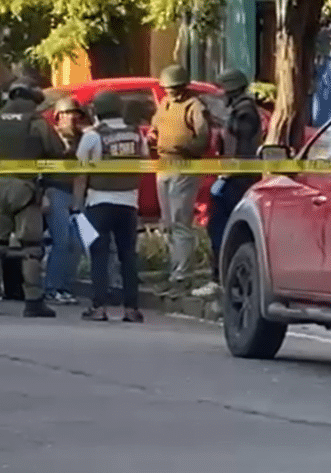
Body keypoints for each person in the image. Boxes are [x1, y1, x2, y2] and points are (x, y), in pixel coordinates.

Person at [0, 79, 66, 317]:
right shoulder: (35, 121)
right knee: (31, 247)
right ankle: (33, 301)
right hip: (24, 186)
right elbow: (56, 149)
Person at [76, 90, 148, 323]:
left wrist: (77, 204)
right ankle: (131, 309)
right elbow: (144, 162)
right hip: (129, 203)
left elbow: (81, 172)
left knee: (99, 255)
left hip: (98, 203)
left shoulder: (92, 136)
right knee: (128, 256)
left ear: (97, 110)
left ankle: (99, 308)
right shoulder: (136, 135)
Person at [195, 69, 261, 298]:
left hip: (239, 179)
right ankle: (222, 278)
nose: (221, 95)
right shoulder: (238, 110)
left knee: (223, 229)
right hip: (232, 177)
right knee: (217, 228)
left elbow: (241, 139)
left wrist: (220, 119)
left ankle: (226, 280)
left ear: (232, 90)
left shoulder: (245, 112)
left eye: (223, 90)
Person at [148, 64, 209, 294]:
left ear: (183, 87)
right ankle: (174, 272)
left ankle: (183, 277)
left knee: (180, 222)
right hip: (164, 165)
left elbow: (202, 139)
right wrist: (154, 136)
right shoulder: (164, 104)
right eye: (167, 88)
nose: (170, 92)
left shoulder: (194, 106)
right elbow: (155, 126)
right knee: (168, 224)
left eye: (173, 88)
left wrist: (182, 147)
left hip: (184, 167)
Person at [42, 96, 90, 306]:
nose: (73, 118)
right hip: (55, 191)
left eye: (76, 115)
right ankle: (52, 288)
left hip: (77, 194)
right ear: (58, 116)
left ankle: (65, 287)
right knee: (61, 242)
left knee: (77, 244)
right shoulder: (50, 137)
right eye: (69, 114)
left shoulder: (84, 138)